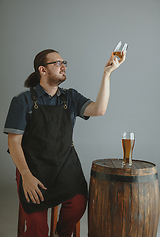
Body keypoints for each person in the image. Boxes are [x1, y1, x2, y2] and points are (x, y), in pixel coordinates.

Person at [3, 48, 126, 237]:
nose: (64, 67)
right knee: (38, 230)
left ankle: (62, 233)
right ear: (43, 70)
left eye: (64, 63)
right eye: (58, 63)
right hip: (33, 171)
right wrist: (25, 175)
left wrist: (107, 74)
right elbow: (14, 142)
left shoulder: (70, 97)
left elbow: (99, 109)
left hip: (66, 168)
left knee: (78, 205)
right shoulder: (23, 101)